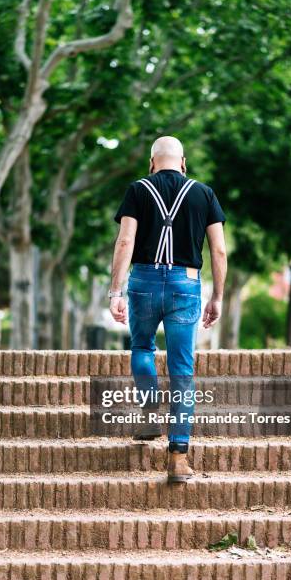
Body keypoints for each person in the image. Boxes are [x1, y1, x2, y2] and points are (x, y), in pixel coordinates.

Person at [109, 136, 227, 482]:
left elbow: (125, 240)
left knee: (142, 346)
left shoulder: (137, 189)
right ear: (184, 163)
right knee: (182, 368)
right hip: (185, 286)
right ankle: (178, 457)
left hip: (143, 281)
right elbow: (218, 251)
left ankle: (148, 413)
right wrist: (217, 296)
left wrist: (115, 291)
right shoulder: (204, 193)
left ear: (152, 163)